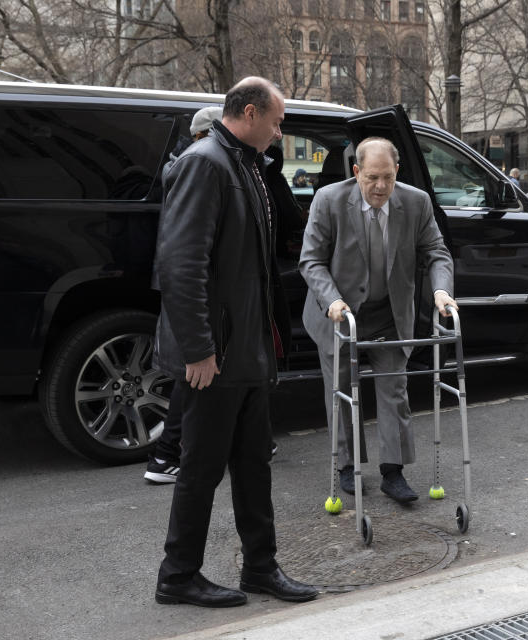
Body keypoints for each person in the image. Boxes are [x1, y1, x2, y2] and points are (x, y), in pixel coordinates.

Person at [152, 77, 317, 607]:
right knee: (201, 468)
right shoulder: (207, 163)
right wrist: (199, 348)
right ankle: (178, 577)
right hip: (218, 355)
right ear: (249, 112)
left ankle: (260, 568)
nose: (280, 130)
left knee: (253, 465)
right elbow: (181, 263)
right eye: (276, 120)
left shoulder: (244, 163)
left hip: (246, 350)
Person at [299, 137, 456, 503]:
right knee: (339, 390)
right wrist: (333, 300)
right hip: (338, 312)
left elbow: (437, 252)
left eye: (387, 177)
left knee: (394, 389)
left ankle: (393, 471)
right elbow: (311, 260)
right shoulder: (330, 200)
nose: (381, 186)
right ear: (356, 172)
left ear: (397, 171)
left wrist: (441, 291)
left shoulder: (416, 202)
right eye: (372, 177)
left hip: (388, 312)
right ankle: (346, 466)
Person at [144, 106, 223, 485]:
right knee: (193, 373)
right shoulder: (198, 167)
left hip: (174, 284)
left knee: (190, 374)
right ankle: (167, 454)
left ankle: (174, 451)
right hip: (186, 287)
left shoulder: (181, 164)